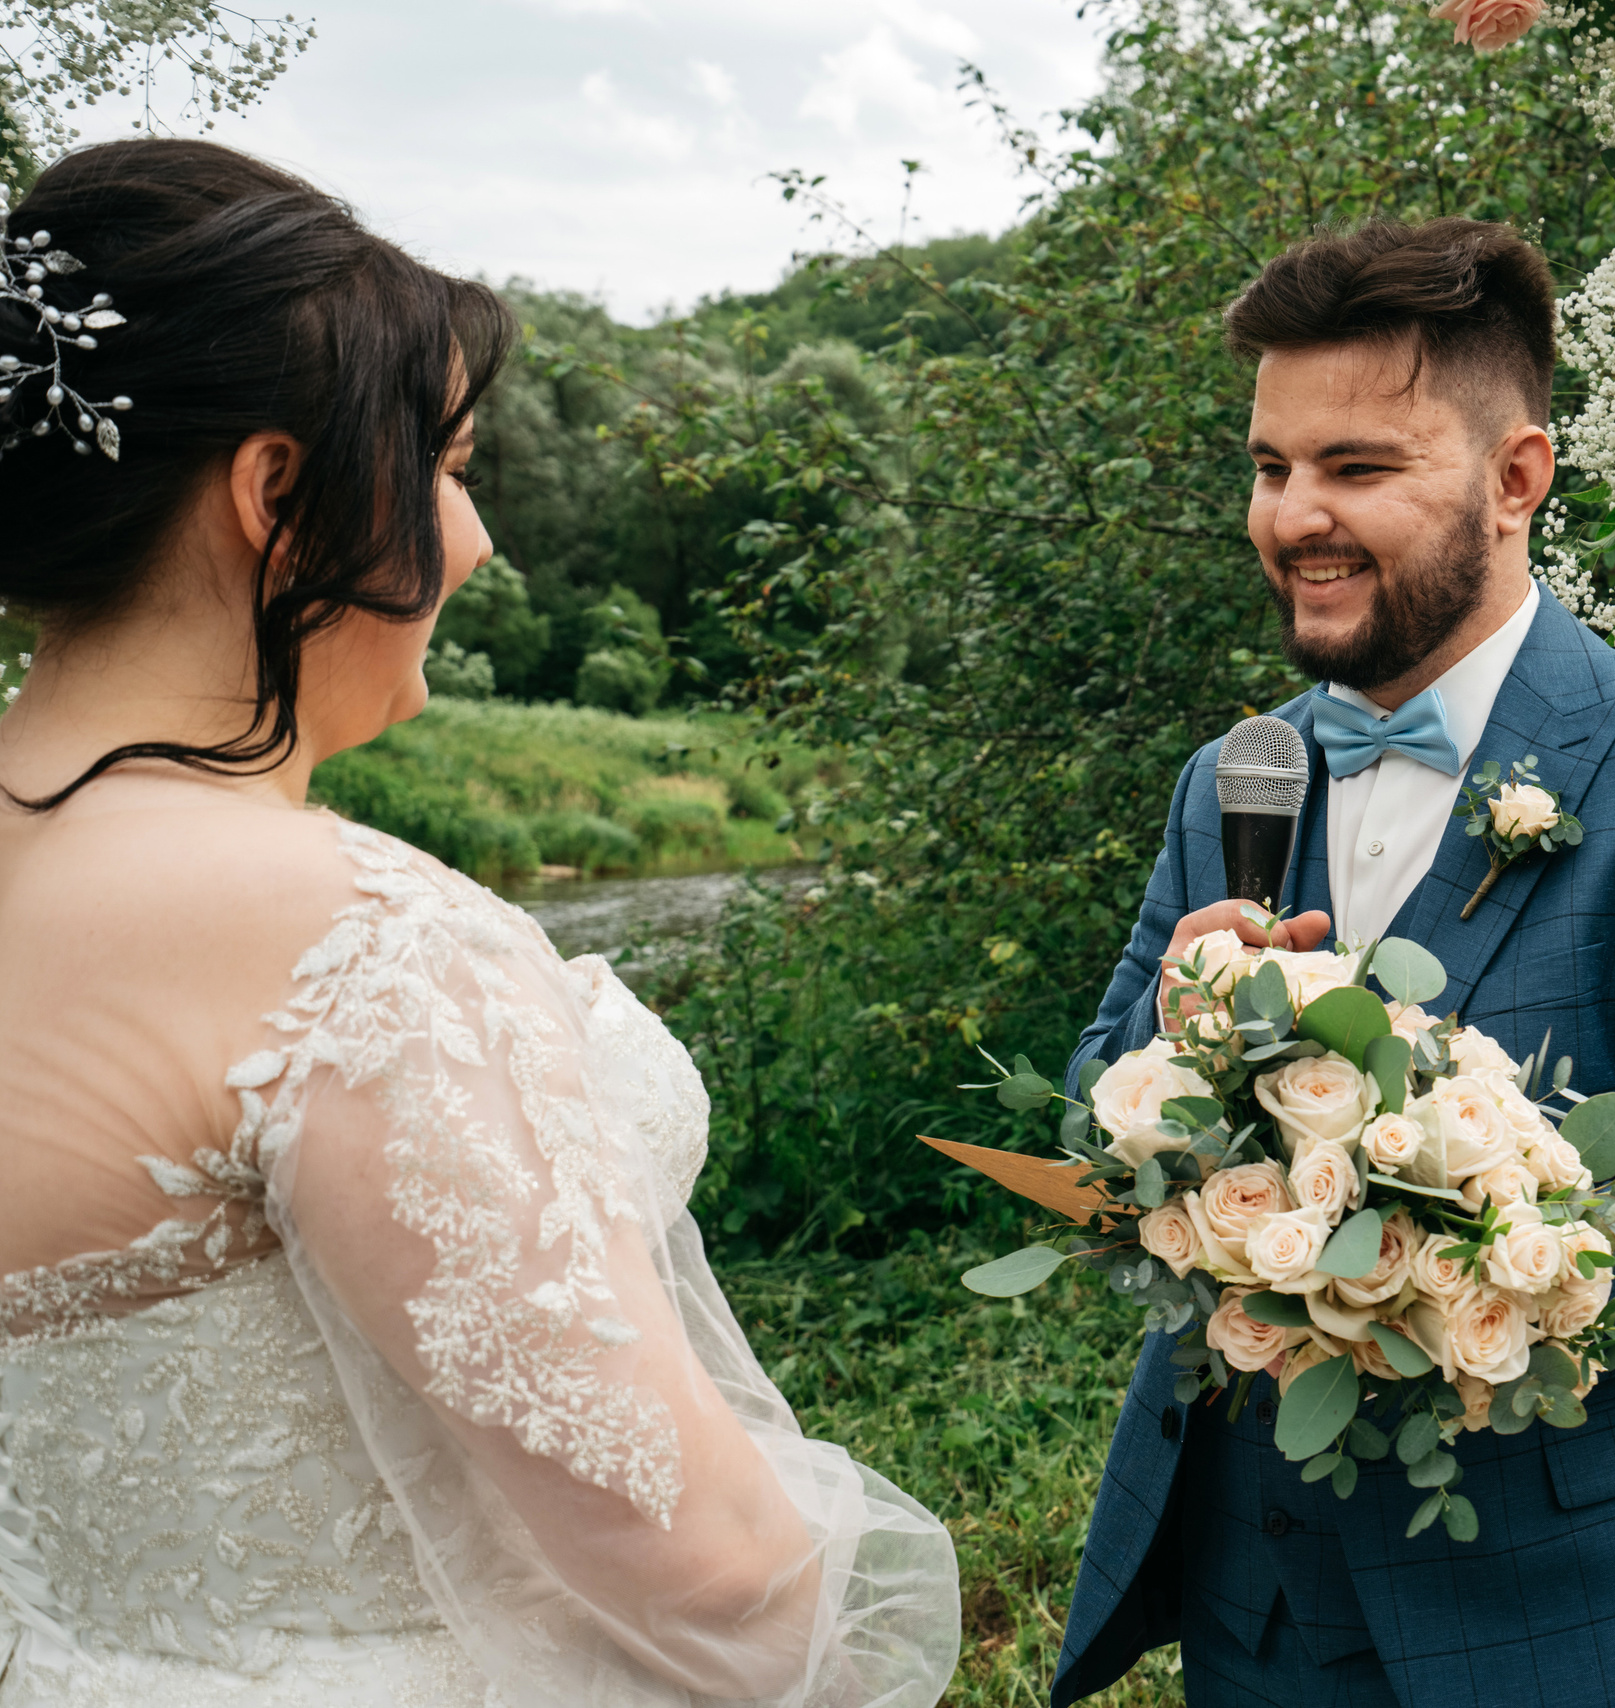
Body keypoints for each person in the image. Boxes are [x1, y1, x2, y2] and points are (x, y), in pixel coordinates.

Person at [0, 140, 959, 1707]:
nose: (479, 541)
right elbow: (712, 1574)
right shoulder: (348, 936)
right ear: (279, 496)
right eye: (446, 469)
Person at [1049, 218, 1615, 1707]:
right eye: (1270, 467)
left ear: (1516, 479)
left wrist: (1464, 1280)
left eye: (1358, 468)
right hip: (1265, 1606)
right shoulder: (1234, 774)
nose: (1295, 514)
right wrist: (1171, 1052)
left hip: (1583, 1612)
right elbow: (1089, 1106)